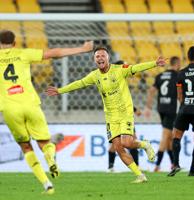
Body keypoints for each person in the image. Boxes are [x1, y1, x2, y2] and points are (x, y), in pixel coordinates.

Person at [46, 46, 167, 183]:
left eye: (103, 56)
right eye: (97, 56)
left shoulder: (119, 70)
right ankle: (140, 175)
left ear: (108, 58)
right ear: (94, 60)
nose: (100, 58)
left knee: (127, 143)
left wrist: (154, 63)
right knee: (118, 148)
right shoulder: (95, 75)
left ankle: (145, 145)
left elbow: (136, 68)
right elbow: (79, 83)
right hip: (110, 117)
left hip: (125, 113)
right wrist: (60, 90)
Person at [0, 30, 93, 194]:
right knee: (44, 141)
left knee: (26, 147)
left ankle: (47, 185)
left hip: (9, 108)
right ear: (15, 43)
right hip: (30, 104)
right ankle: (50, 157)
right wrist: (83, 49)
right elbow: (54, 53)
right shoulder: (23, 53)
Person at [144, 56, 181, 172]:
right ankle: (157, 166)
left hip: (161, 109)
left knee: (169, 137)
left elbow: (151, 91)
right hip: (171, 109)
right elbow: (180, 93)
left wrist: (148, 107)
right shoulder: (177, 76)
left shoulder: (160, 76)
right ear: (178, 64)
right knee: (165, 137)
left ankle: (173, 164)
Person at [168, 46, 194, 177]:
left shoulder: (181, 73)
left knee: (176, 136)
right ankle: (192, 171)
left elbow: (179, 95)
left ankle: (176, 164)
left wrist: (183, 105)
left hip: (185, 108)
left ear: (188, 57)